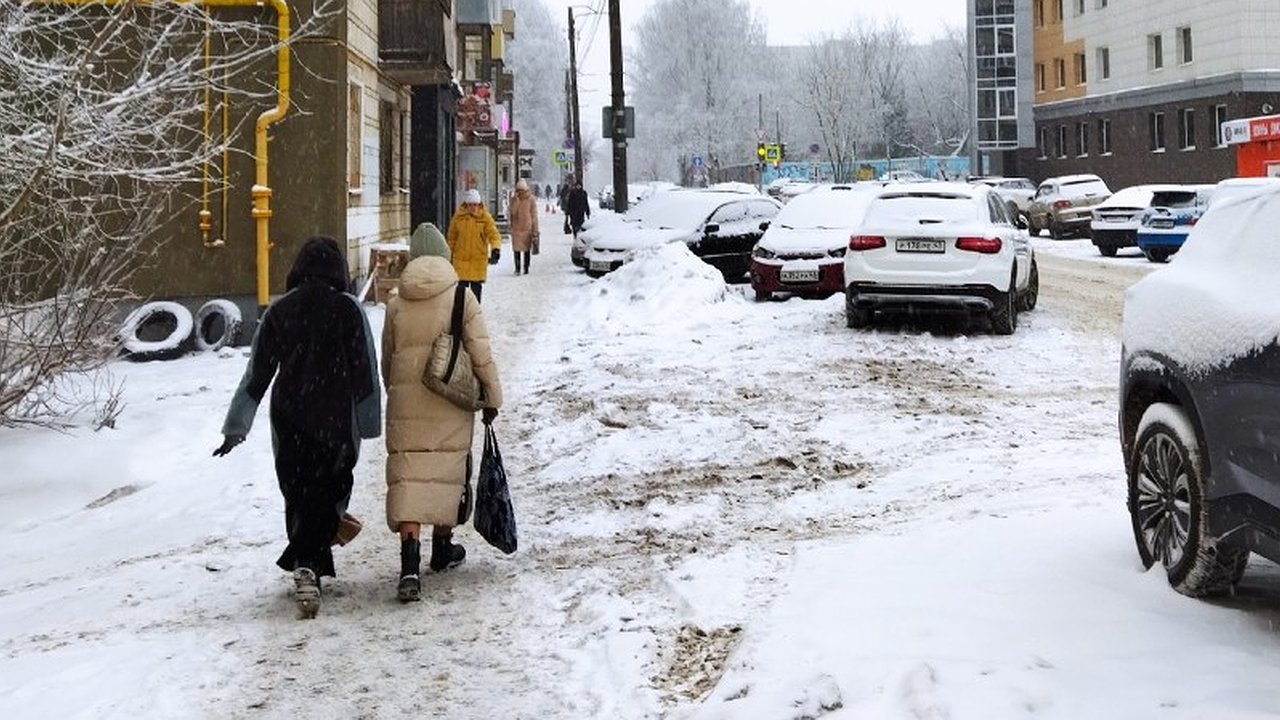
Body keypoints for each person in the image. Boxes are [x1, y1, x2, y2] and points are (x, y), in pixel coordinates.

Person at [214, 236, 381, 618]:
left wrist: (236, 427)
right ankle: (309, 564)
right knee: (331, 489)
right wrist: (370, 422)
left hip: (290, 418)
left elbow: (256, 374)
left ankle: (307, 561)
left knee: (300, 491)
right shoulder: (348, 310)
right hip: (336, 418)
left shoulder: (280, 311)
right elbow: (364, 371)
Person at [382, 226, 503, 602]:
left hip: (407, 402)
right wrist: (492, 397)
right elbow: (480, 353)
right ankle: (442, 547)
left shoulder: (396, 303)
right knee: (446, 471)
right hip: (450, 399)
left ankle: (408, 567)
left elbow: (386, 360)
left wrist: (395, 389)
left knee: (409, 476)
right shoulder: (461, 299)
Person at [446, 188, 502, 302]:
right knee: (461, 295)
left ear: (479, 204)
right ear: (466, 204)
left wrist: (496, 248)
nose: (473, 207)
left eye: (475, 204)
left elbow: (494, 234)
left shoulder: (485, 218)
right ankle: (460, 317)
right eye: (470, 204)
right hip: (461, 260)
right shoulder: (458, 218)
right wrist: (448, 254)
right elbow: (451, 238)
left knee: (475, 295)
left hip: (478, 260)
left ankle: (474, 317)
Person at [508, 179, 540, 275]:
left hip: (527, 228)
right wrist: (516, 201)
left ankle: (526, 268)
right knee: (516, 249)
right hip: (516, 228)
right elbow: (512, 212)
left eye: (522, 190)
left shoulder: (531, 199)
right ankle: (517, 268)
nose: (520, 192)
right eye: (518, 190)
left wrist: (535, 229)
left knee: (526, 249)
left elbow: (534, 215)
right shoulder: (514, 199)